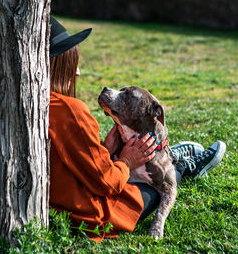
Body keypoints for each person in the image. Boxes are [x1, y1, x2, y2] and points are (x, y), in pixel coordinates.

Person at [48, 17, 226, 241]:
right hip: (92, 216)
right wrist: (128, 161)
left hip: (56, 208)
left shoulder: (31, 105)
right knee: (160, 186)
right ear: (57, 65)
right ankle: (180, 168)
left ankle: (170, 155)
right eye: (72, 61)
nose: (78, 72)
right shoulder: (70, 111)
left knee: (144, 163)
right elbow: (105, 182)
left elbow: (73, 163)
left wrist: (104, 149)